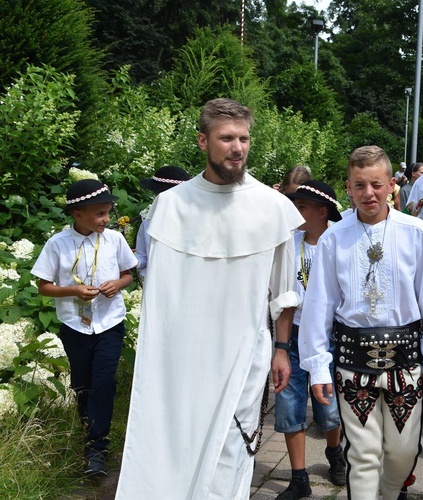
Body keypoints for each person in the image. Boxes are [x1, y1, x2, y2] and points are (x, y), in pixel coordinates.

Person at [116, 98, 304, 499]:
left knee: (229, 457)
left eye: (244, 138)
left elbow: (284, 295)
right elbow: (160, 296)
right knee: (173, 453)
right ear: (203, 141)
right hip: (180, 365)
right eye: (226, 138)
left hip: (243, 356)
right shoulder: (170, 207)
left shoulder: (274, 208)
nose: (237, 147)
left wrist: (282, 349)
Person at [298, 145, 423, 500]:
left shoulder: (416, 232)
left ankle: (391, 491)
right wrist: (318, 367)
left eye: (377, 184)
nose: (369, 193)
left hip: (406, 360)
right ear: (348, 187)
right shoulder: (334, 237)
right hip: (353, 362)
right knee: (362, 455)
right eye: (360, 185)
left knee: (403, 452)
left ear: (391, 185)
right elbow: (319, 304)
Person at [31, 179, 138, 476]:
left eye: (108, 212)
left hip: (109, 323)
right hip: (75, 326)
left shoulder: (114, 240)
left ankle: (97, 447)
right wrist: (73, 291)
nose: (107, 219)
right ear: (78, 214)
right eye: (100, 214)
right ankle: (87, 427)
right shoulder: (58, 244)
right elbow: (44, 287)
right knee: (83, 383)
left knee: (105, 380)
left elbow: (128, 274)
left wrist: (117, 284)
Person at [275, 180, 345, 500]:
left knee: (328, 410)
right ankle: (299, 477)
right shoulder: (292, 242)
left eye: (301, 207)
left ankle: (334, 452)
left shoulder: (338, 244)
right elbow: (284, 297)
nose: (295, 212)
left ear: (322, 211)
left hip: (327, 338)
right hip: (294, 335)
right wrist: (280, 346)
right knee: (290, 407)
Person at [134, 165, 190, 280]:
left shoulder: (194, 223)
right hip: (156, 282)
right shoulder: (148, 224)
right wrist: (130, 260)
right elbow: (143, 256)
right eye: (156, 195)